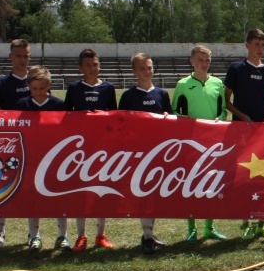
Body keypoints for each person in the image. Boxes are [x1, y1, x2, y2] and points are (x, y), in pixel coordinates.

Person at [225, 29, 264, 241]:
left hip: (263, 131)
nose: (260, 48)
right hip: (241, 130)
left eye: (263, 45)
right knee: (244, 176)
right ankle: (246, 220)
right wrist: (242, 115)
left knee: (263, 175)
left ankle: (262, 223)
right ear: (247, 45)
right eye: (256, 44)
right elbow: (227, 100)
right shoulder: (236, 69)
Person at [65, 48, 118, 251]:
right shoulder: (73, 88)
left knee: (101, 191)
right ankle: (81, 235)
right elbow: (66, 117)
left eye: (95, 64)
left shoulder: (107, 87)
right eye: (87, 65)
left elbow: (114, 116)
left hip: (102, 148)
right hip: (79, 149)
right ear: (80, 67)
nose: (92, 68)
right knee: (81, 191)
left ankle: (100, 234)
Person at [173, 45, 228, 242]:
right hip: (190, 142)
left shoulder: (217, 84)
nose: (204, 64)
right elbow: (174, 112)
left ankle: (209, 227)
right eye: (200, 60)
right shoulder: (182, 84)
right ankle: (192, 229)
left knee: (210, 184)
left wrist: (218, 120)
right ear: (192, 61)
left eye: (207, 60)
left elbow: (222, 110)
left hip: (212, 143)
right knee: (190, 184)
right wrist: (183, 118)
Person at [119, 52, 172, 254]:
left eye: (149, 67)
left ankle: (148, 233)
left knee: (153, 194)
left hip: (157, 152)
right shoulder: (128, 96)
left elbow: (170, 118)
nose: (146, 71)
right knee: (142, 193)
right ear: (134, 72)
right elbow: (120, 125)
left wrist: (168, 117)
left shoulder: (162, 94)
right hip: (137, 153)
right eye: (142, 68)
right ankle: (147, 236)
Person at [19, 66, 69, 251]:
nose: (38, 92)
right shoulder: (22, 105)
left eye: (42, 88)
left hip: (54, 157)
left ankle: (63, 236)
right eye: (34, 89)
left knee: (59, 196)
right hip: (31, 157)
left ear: (49, 85)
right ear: (29, 87)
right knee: (33, 197)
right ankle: (34, 236)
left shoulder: (58, 104)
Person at [0, 38, 31, 248]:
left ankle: (33, 234)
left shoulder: (37, 79)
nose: (22, 60)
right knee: (3, 184)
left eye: (26, 56)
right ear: (10, 57)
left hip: (34, 143)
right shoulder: (1, 83)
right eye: (18, 56)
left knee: (31, 187)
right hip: (10, 144)